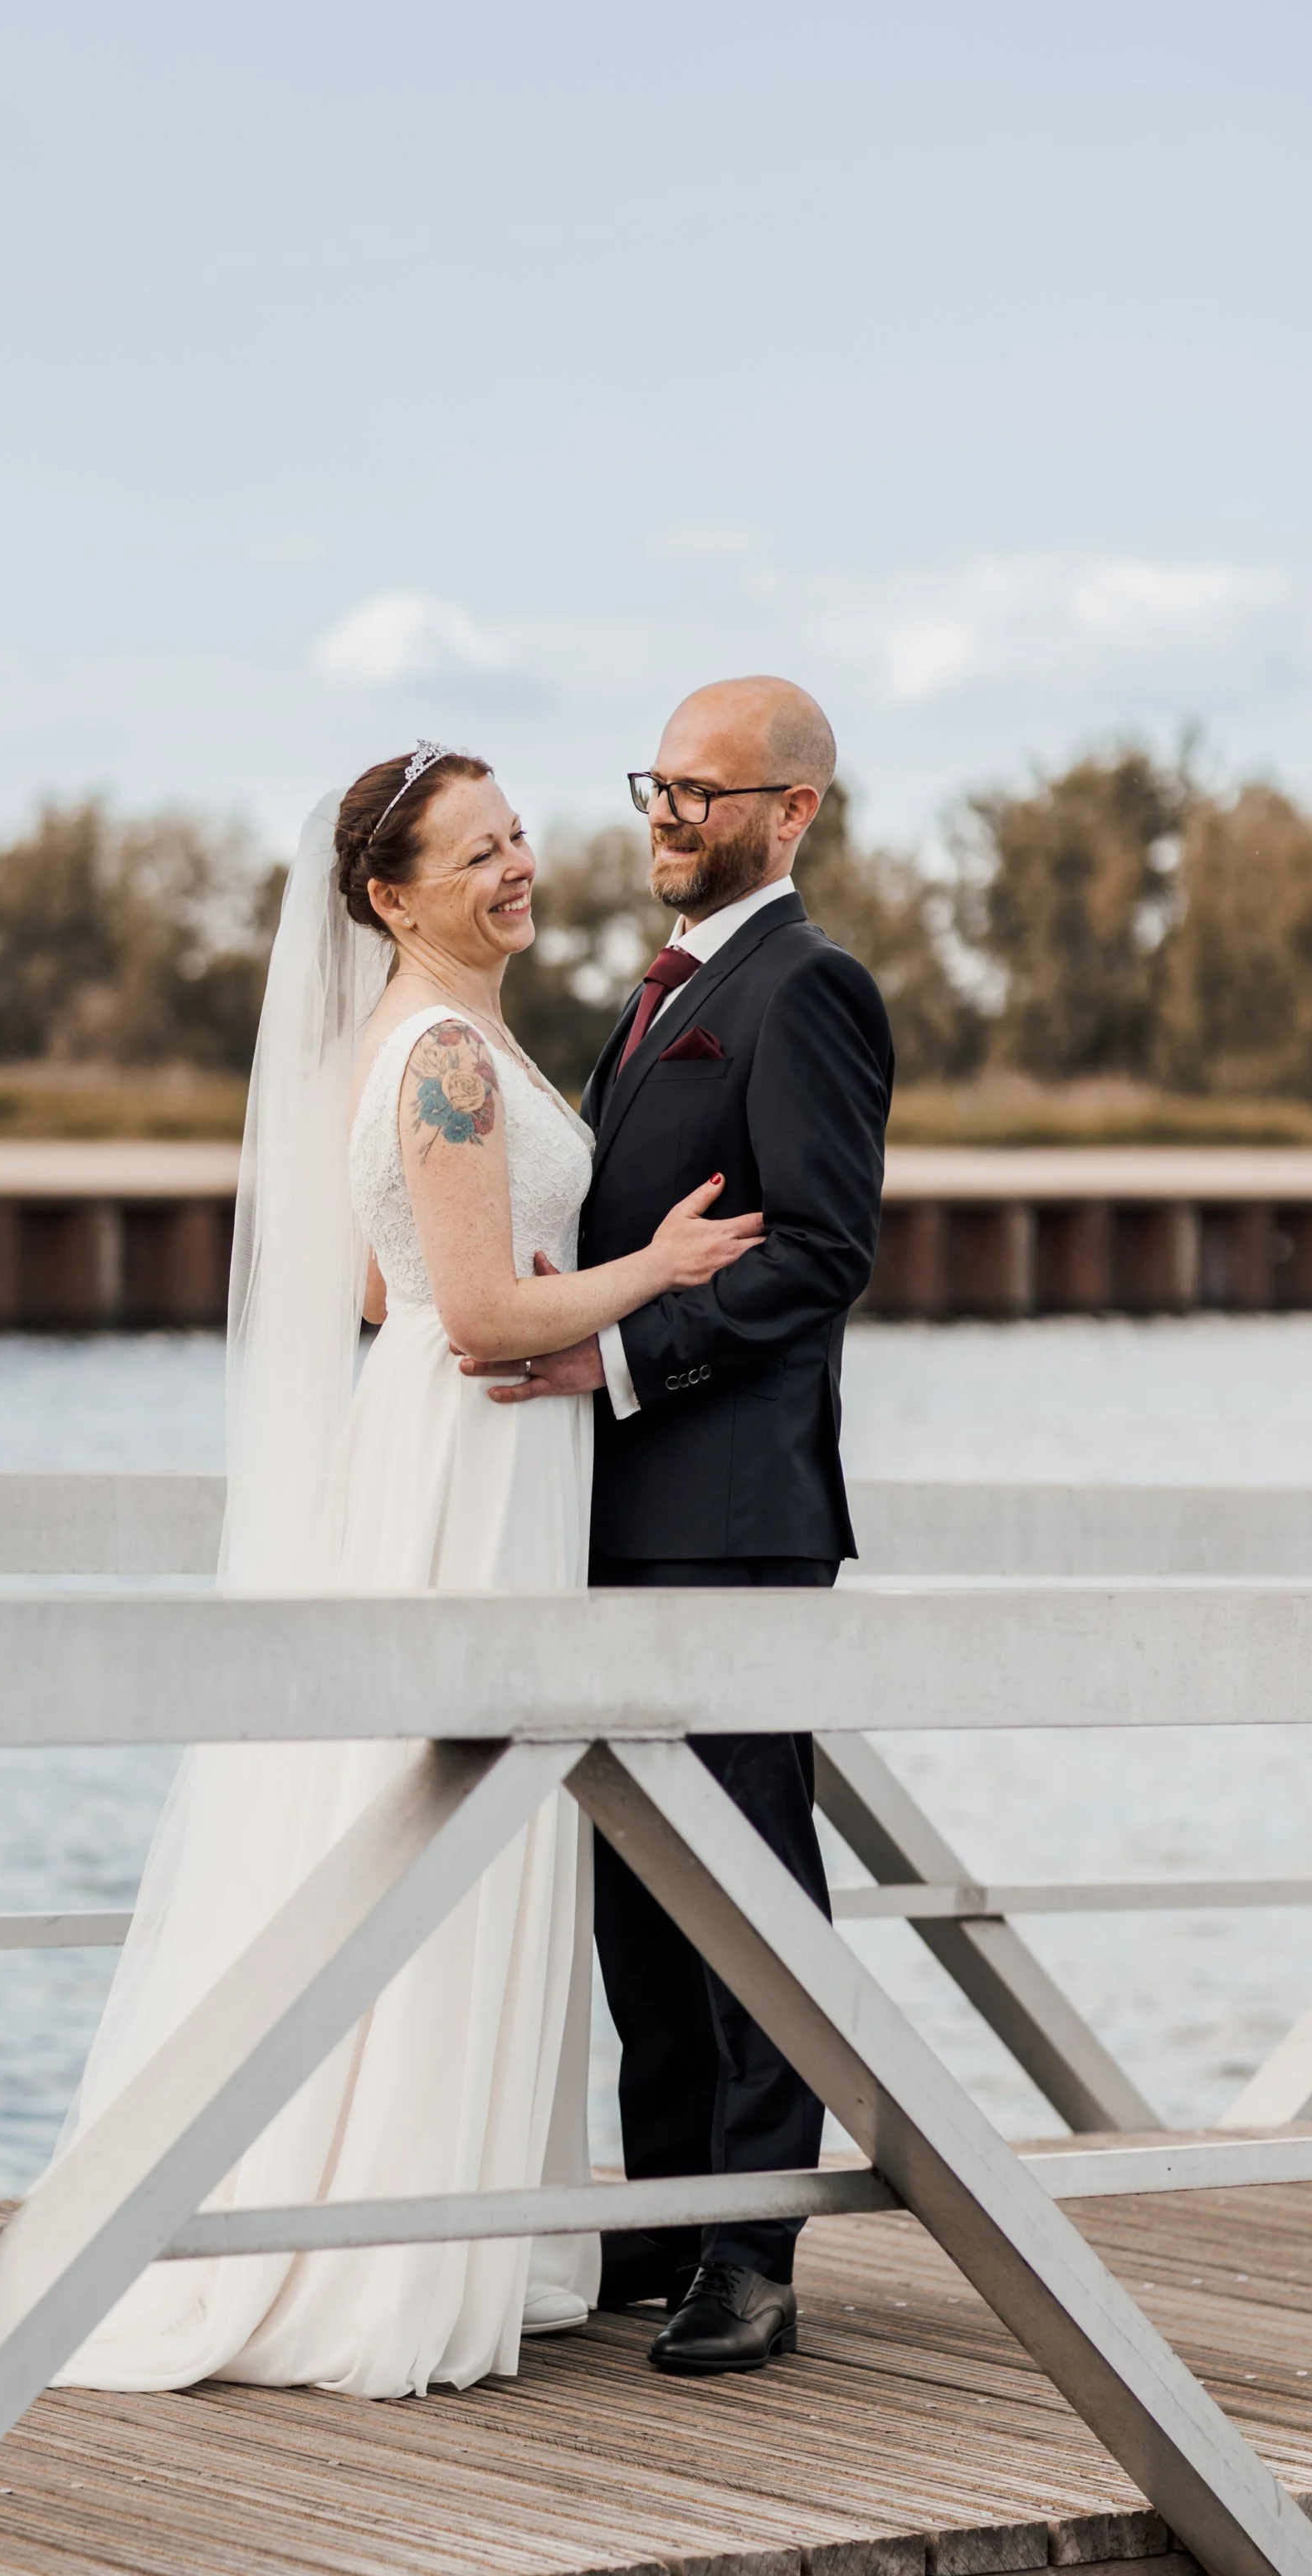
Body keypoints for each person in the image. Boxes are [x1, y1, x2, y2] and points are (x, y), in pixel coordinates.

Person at [0, 744, 758, 2398]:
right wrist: (648, 1269)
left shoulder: (414, 1042)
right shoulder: (444, 1051)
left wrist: (525, 1286)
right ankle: (372, 2229)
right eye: (475, 851)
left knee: (427, 1813)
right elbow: (466, 1318)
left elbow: (387, 1294)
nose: (516, 865)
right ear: (386, 897)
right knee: (426, 1811)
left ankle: (431, 2209)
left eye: (519, 833)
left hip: (461, 1454)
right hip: (466, 1467)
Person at [465, 678, 894, 2375]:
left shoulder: (807, 989)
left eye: (702, 793)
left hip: (729, 1515)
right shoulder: (651, 997)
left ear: (788, 814)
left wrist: (617, 1351)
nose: (663, 814)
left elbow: (816, 1254)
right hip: (605, 1511)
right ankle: (656, 2221)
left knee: (743, 1886)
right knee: (634, 1894)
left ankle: (749, 2249)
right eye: (655, 784)